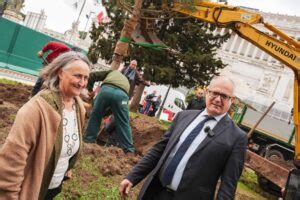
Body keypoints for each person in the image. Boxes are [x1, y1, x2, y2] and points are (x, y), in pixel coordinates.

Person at [119, 76, 248, 200]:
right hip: (154, 192)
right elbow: (158, 151)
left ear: (232, 100)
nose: (218, 99)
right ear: (207, 92)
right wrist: (132, 177)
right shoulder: (183, 117)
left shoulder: (237, 137)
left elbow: (228, 185)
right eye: (214, 93)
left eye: (224, 96)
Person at [0, 52, 91, 199]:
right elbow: (12, 160)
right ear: (61, 73)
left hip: (53, 187)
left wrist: (67, 166)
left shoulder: (78, 106)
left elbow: (67, 142)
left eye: (86, 78)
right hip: (30, 190)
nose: (82, 83)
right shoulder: (36, 109)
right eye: (78, 76)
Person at [83, 69, 135, 153]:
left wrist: (90, 90)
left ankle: (89, 141)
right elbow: (114, 107)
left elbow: (91, 75)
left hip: (105, 91)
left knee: (95, 117)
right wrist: (106, 114)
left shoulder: (111, 72)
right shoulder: (126, 81)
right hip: (122, 96)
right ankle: (129, 150)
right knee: (124, 122)